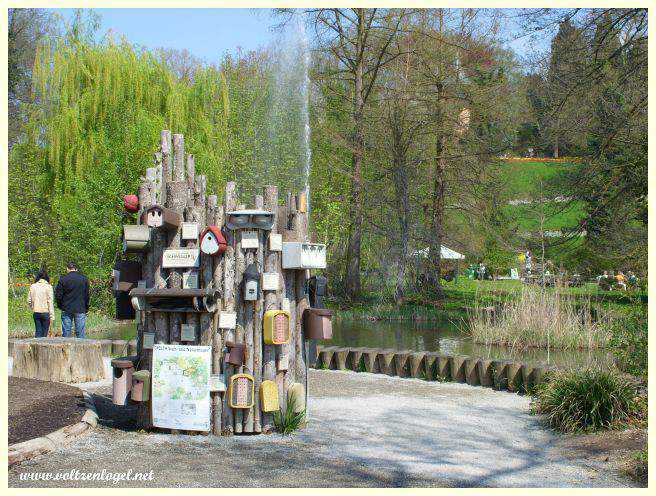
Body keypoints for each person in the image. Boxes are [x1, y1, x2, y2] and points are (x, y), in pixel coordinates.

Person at [55, 262, 90, 338]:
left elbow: (58, 295)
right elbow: (87, 295)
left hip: (66, 308)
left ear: (67, 269)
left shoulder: (63, 279)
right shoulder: (84, 279)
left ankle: (65, 349)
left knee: (66, 334)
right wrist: (86, 308)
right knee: (80, 334)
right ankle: (81, 349)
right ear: (76, 269)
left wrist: (60, 306)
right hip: (80, 308)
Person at [28, 268, 55, 338]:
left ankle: (35, 348)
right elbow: (50, 302)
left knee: (38, 332)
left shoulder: (33, 286)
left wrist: (33, 307)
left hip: (36, 312)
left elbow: (29, 300)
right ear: (46, 277)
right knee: (44, 334)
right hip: (45, 312)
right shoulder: (49, 287)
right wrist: (52, 316)